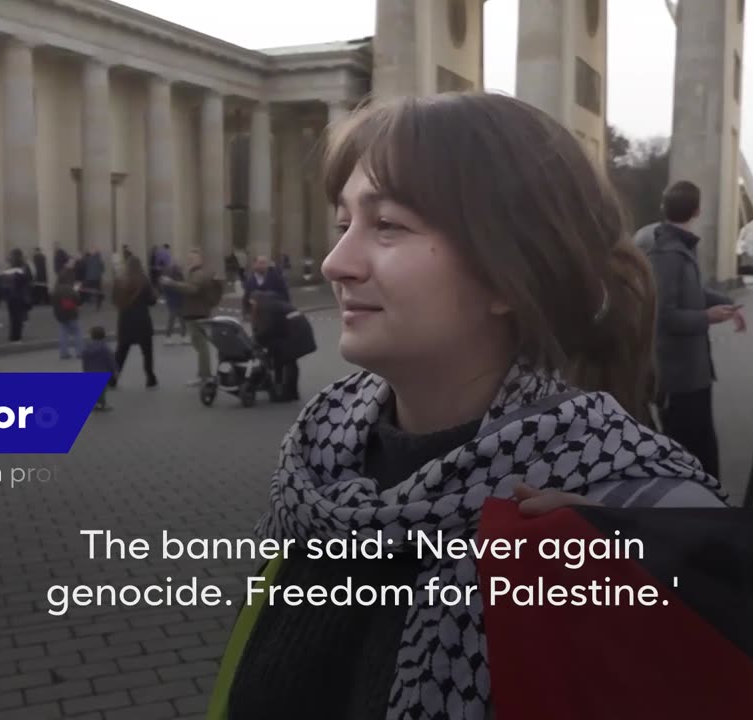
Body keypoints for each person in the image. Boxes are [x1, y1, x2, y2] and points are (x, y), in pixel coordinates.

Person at [209, 93, 726, 720]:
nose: (335, 262)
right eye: (343, 222)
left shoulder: (637, 519)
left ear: (510, 272)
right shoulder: (317, 466)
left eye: (388, 225)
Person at [643, 180, 745, 481]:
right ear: (697, 210)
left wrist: (729, 304)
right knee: (687, 452)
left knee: (703, 448)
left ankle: (709, 508)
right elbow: (664, 316)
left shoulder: (680, 248)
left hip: (694, 373)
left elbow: (695, 293)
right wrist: (707, 317)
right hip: (678, 377)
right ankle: (690, 514)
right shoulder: (666, 254)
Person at [159, 248, 222, 386]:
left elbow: (192, 289)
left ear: (200, 260)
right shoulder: (196, 272)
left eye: (192, 259)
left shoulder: (198, 273)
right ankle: (204, 374)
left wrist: (172, 283)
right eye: (188, 258)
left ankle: (204, 376)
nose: (189, 261)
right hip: (197, 311)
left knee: (200, 344)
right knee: (199, 344)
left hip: (196, 312)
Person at [248, 290, 315, 402]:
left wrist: (257, 340)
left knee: (288, 361)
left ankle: (288, 393)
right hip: (299, 331)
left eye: (252, 303)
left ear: (256, 301)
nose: (252, 306)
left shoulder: (266, 307)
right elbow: (274, 327)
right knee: (288, 361)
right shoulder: (271, 303)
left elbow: (269, 328)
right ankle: (290, 392)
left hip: (295, 333)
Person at [111, 256, 158, 388]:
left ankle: (113, 378)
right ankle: (150, 377)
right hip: (142, 320)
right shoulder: (143, 280)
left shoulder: (119, 280)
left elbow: (114, 300)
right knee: (147, 352)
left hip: (125, 320)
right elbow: (152, 301)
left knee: (121, 352)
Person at [81, 325, 116, 410]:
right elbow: (110, 360)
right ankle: (103, 404)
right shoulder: (105, 348)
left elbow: (84, 360)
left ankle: (95, 404)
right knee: (102, 391)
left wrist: (85, 370)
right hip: (102, 372)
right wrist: (115, 370)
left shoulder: (87, 348)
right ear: (104, 336)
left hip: (90, 372)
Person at [3, 248, 33, 343]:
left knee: (12, 318)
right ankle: (17, 337)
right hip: (20, 296)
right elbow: (28, 280)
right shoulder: (23, 268)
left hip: (10, 297)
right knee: (19, 318)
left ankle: (12, 336)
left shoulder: (8, 268)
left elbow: (5, 281)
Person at [52, 268, 82, 360]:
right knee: (77, 333)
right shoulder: (70, 289)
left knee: (63, 333)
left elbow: (52, 302)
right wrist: (77, 290)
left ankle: (64, 353)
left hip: (60, 314)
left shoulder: (55, 289)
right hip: (71, 313)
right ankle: (79, 352)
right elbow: (77, 300)